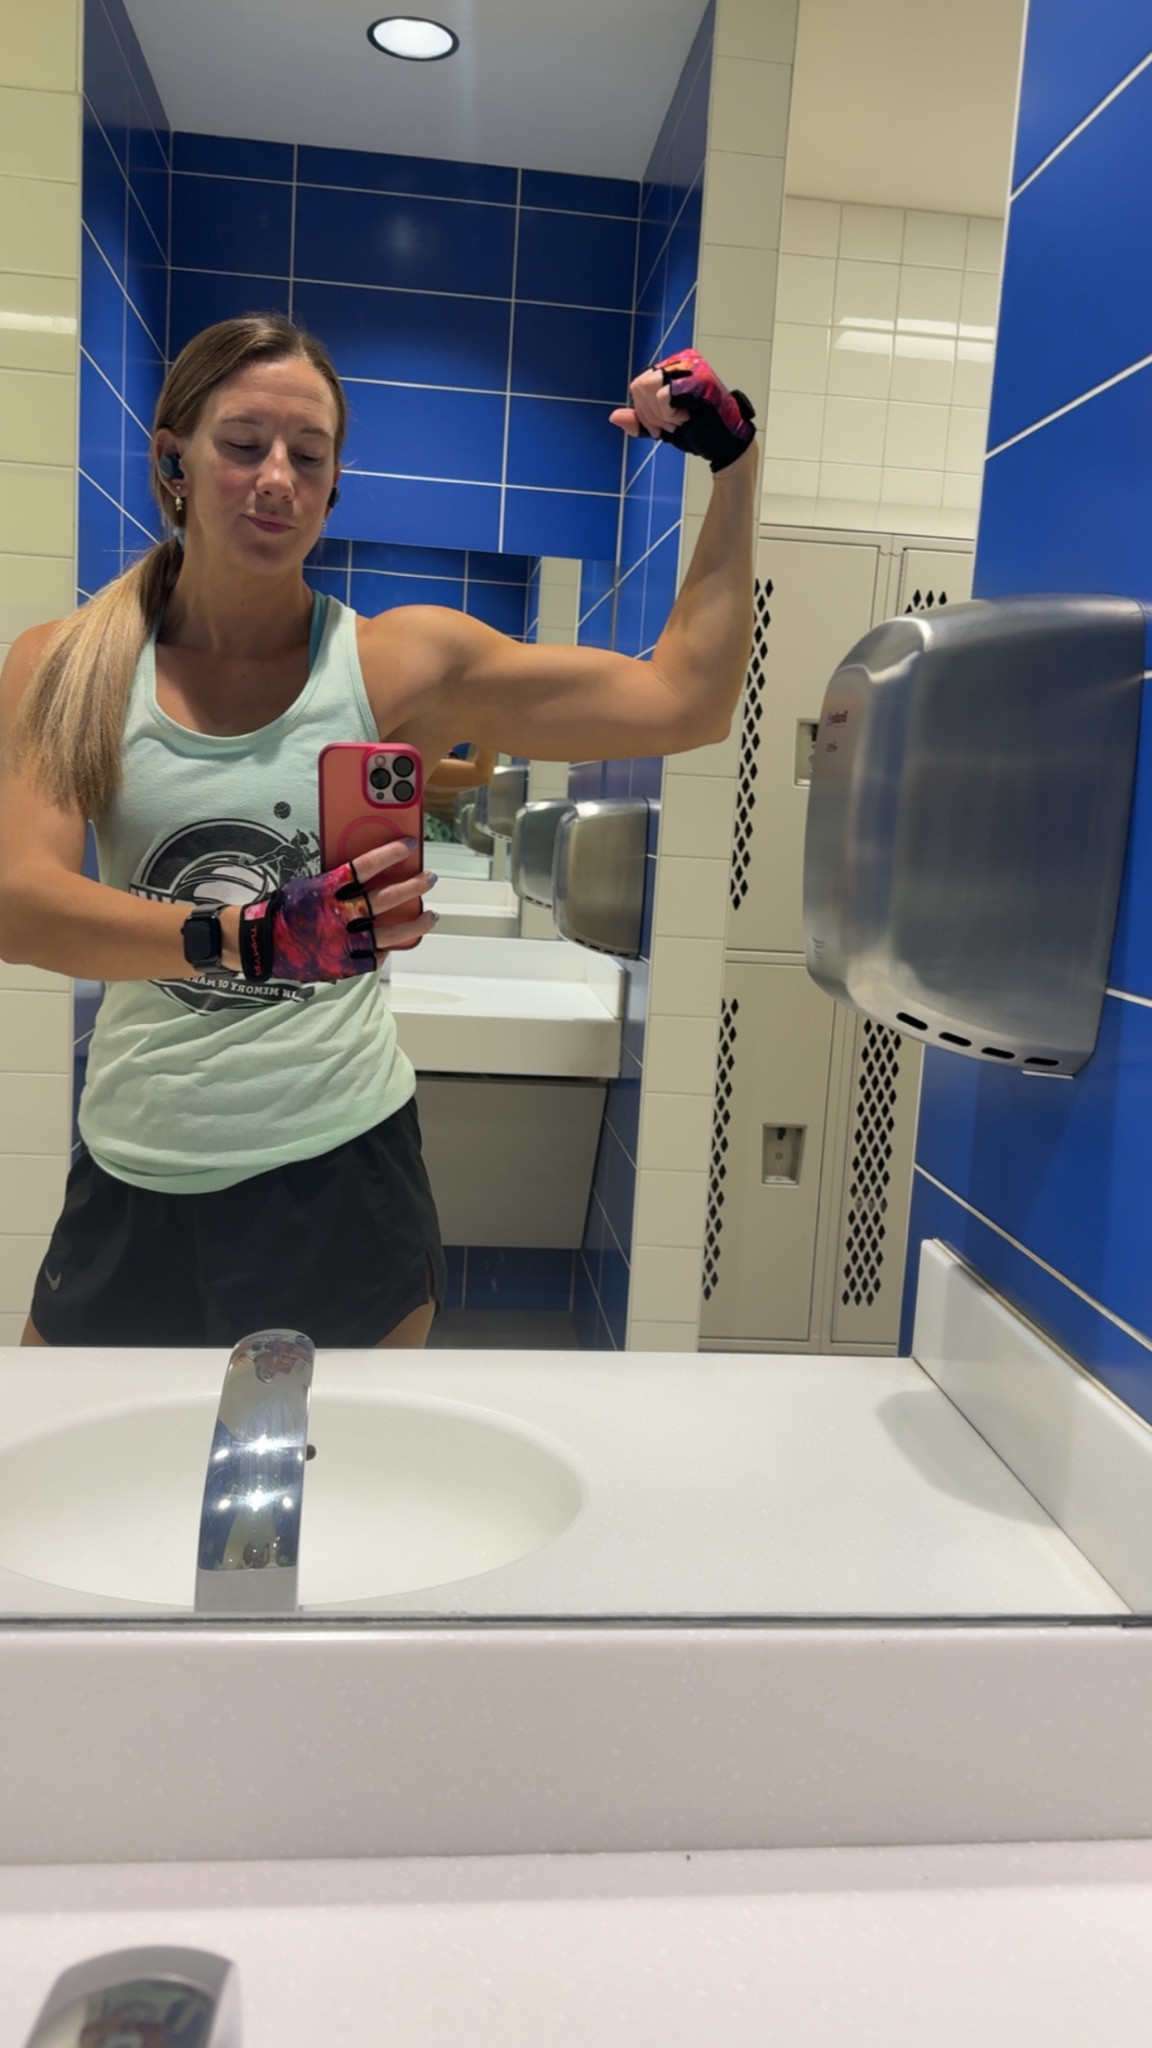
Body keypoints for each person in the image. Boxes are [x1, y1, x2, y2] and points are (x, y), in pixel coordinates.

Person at [0, 316, 757, 1351]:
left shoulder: (399, 667)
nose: (277, 479)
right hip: (133, 1170)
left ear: (332, 490)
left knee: (348, 1459)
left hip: (341, 1182)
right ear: (173, 460)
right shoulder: (66, 664)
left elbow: (686, 701)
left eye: (309, 457)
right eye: (243, 444)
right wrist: (249, 938)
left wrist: (733, 466)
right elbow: (20, 904)